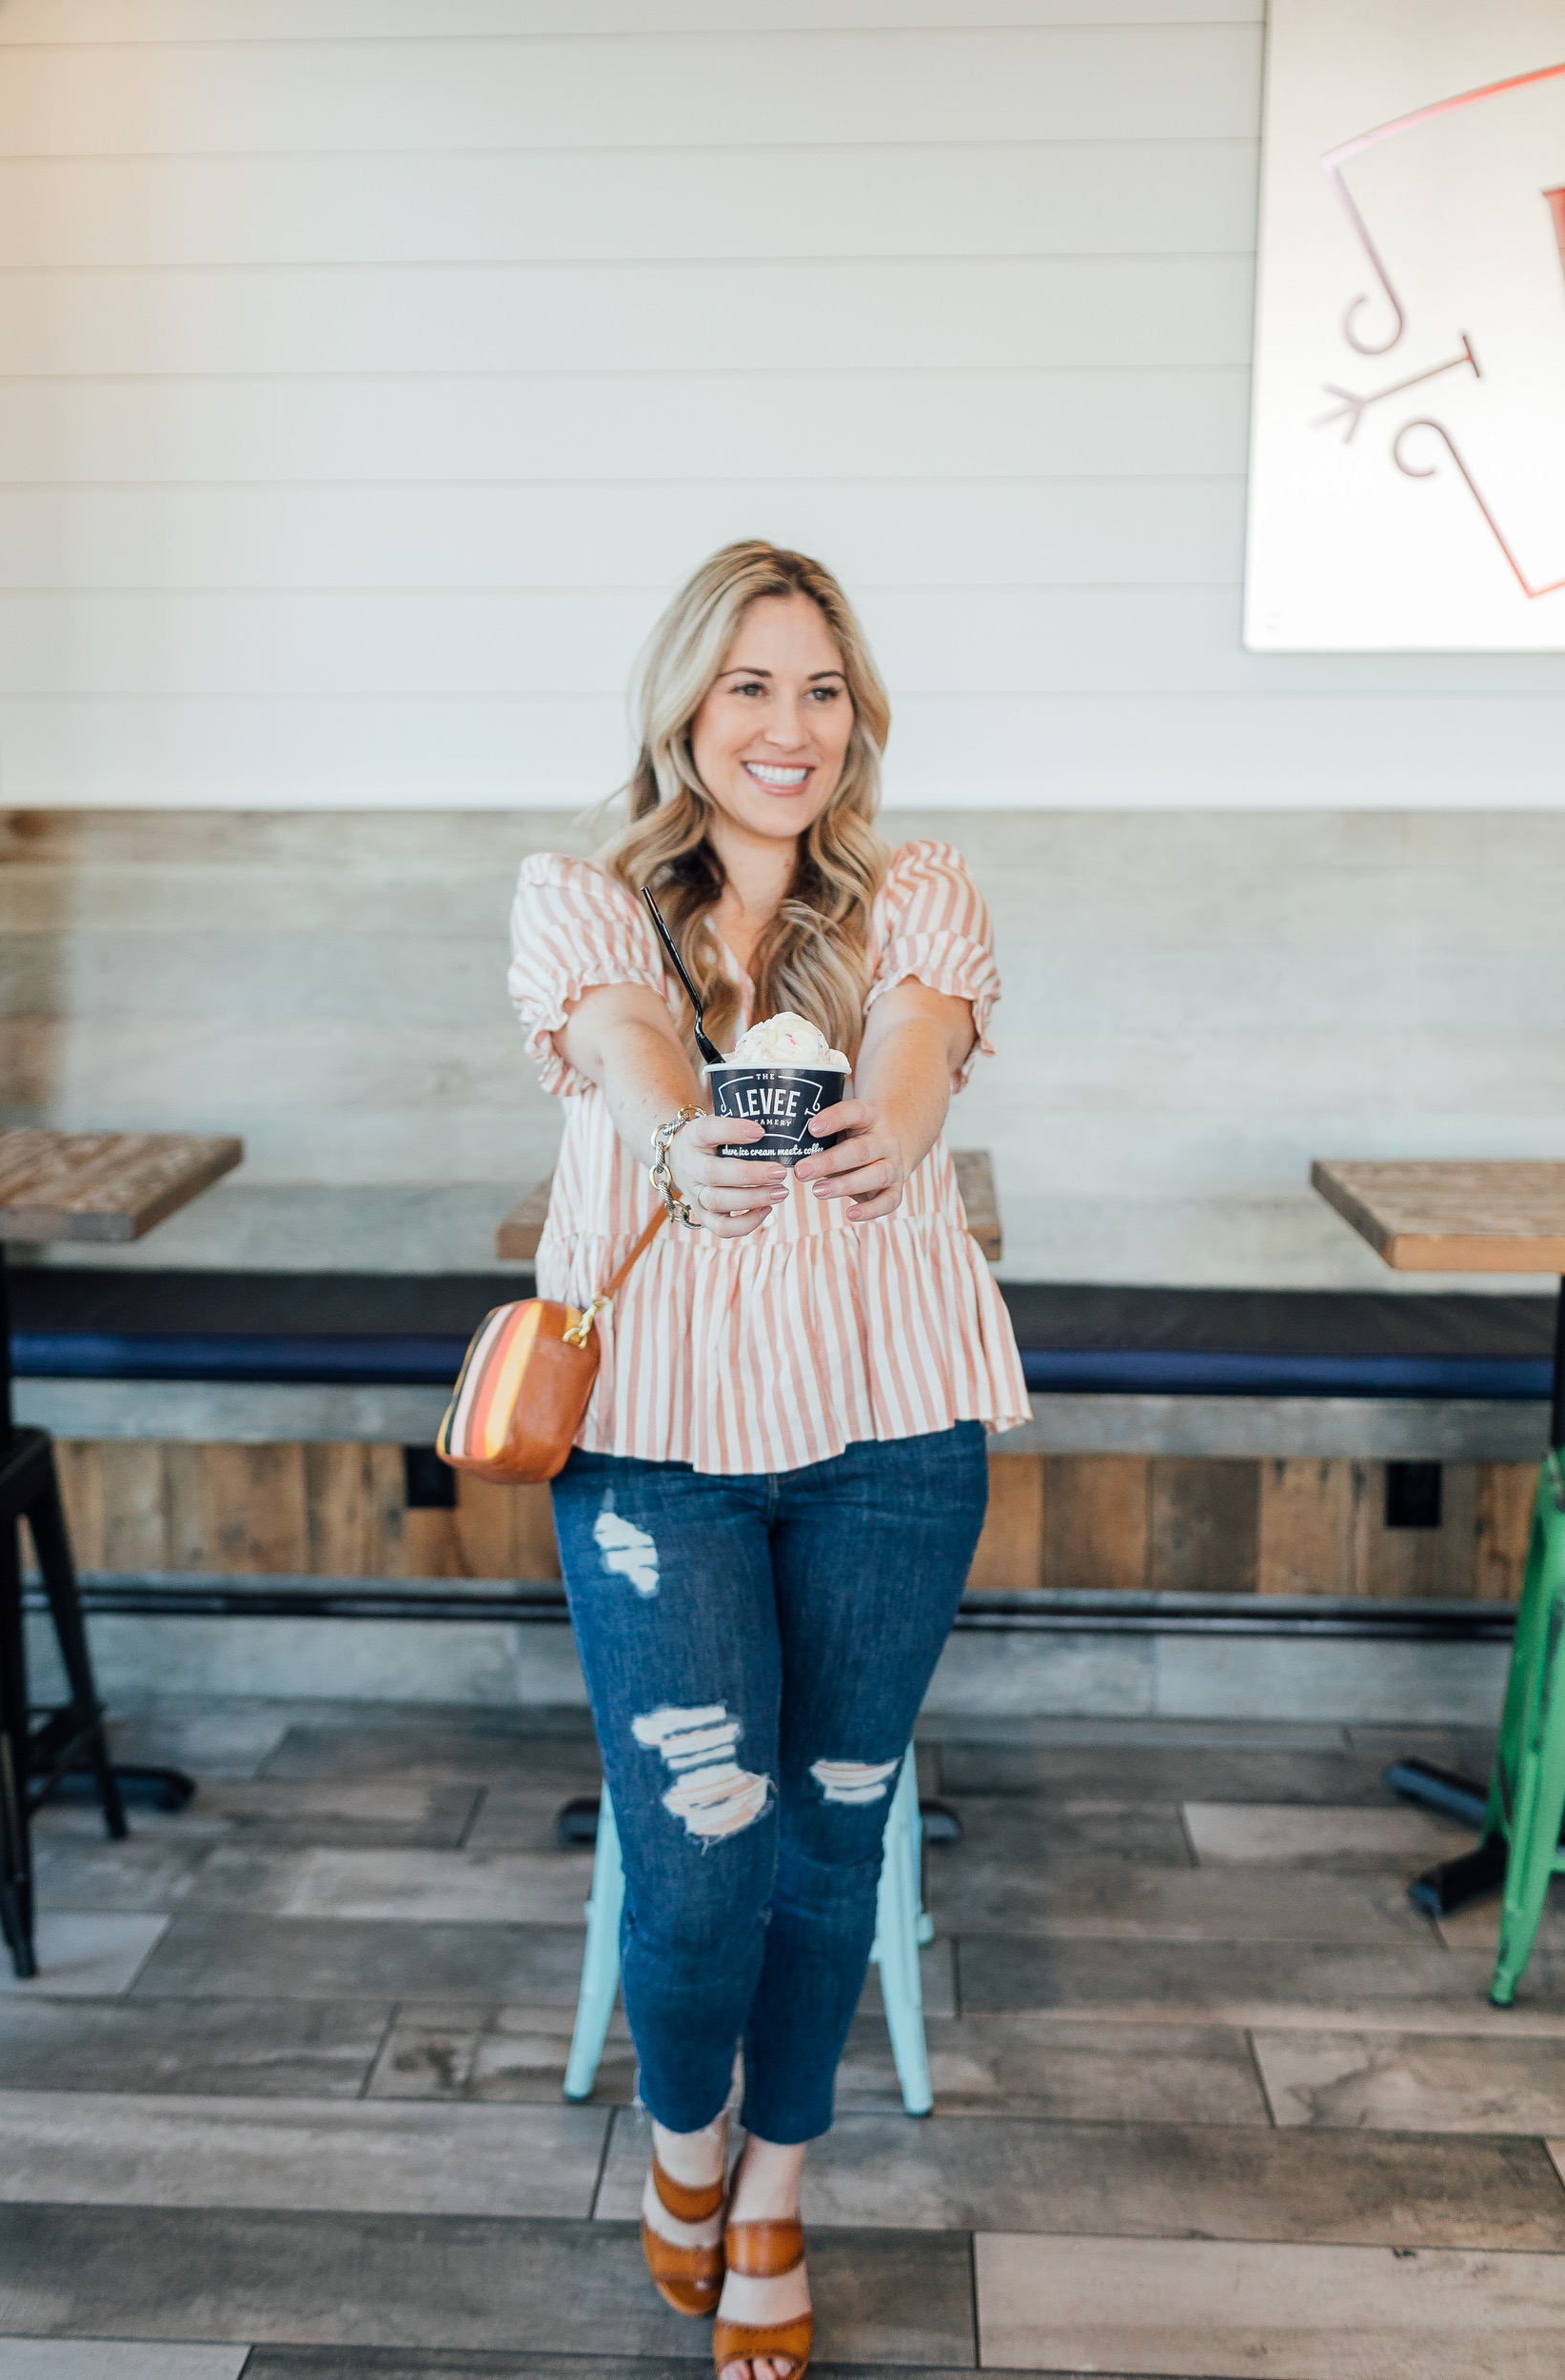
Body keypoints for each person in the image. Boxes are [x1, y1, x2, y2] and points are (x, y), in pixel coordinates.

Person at [508, 542, 1027, 2380]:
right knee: (700, 1857)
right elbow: (630, 1040)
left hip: (894, 1431)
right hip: (657, 1449)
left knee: (832, 1840)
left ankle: (781, 2191)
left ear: (855, 718)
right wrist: (681, 1139)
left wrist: (889, 1125)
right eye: (750, 686)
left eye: (821, 690)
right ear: (685, 710)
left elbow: (918, 1045)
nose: (789, 727)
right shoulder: (582, 900)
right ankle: (685, 2145)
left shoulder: (916, 893)